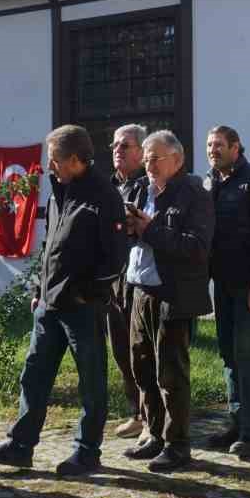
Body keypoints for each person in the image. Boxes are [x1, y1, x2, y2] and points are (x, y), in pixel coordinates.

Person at [0, 125, 126, 476]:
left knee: (91, 382)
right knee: (34, 375)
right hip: (49, 305)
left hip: (82, 307)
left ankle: (87, 452)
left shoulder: (104, 196)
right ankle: (20, 446)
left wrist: (85, 293)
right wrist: (39, 291)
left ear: (75, 160)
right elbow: (51, 248)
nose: (49, 167)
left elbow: (115, 259)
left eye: (54, 160)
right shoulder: (61, 190)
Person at [121, 130, 213, 474]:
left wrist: (150, 230)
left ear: (177, 159)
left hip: (172, 293)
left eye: (156, 159)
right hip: (140, 289)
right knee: (142, 367)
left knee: (170, 373)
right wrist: (130, 228)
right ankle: (154, 434)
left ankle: (178, 445)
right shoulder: (142, 190)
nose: (149, 165)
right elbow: (139, 237)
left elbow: (196, 248)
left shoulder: (193, 194)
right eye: (146, 159)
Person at [203, 125, 250, 461]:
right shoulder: (211, 182)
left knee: (247, 355)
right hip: (223, 283)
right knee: (229, 354)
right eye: (209, 145)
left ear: (236, 147)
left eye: (219, 144)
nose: (213, 150)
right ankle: (237, 423)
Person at [108, 125, 148, 439]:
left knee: (143, 351)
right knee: (121, 350)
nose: (117, 151)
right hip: (112, 280)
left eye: (125, 145)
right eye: (115, 146)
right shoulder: (109, 187)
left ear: (142, 151)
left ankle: (152, 416)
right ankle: (136, 411)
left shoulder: (148, 185)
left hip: (140, 279)